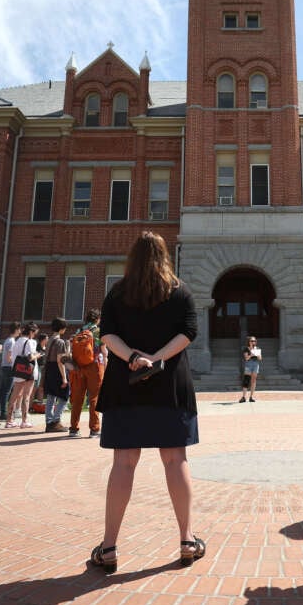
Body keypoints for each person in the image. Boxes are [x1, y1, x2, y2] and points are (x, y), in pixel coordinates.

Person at [91, 231, 203, 574]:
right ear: (164, 256)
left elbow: (106, 333)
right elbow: (188, 331)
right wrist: (156, 358)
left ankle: (108, 547)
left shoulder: (118, 292)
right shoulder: (179, 290)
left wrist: (134, 357)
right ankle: (186, 540)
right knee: (175, 460)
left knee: (123, 464)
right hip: (170, 386)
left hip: (126, 387)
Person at [68, 309, 104, 438]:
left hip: (79, 366)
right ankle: (94, 429)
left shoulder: (79, 331)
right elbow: (103, 350)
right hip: (94, 365)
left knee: (78, 397)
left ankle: (73, 429)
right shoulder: (98, 331)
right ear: (98, 319)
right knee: (94, 397)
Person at [5, 322, 41, 428]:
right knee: (26, 396)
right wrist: (38, 355)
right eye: (34, 333)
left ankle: (9, 420)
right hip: (28, 372)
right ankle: (24, 421)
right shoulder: (29, 342)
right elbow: (30, 357)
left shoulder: (17, 341)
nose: (34, 336)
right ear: (31, 332)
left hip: (18, 370)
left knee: (14, 395)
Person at [43, 317, 71, 432]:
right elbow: (61, 360)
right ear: (62, 329)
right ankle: (56, 421)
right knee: (64, 396)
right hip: (57, 370)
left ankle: (49, 422)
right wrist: (64, 378)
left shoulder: (49, 340)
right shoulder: (60, 342)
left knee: (51, 396)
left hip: (49, 368)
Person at [0, 322, 22, 421]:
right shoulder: (12, 341)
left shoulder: (7, 340)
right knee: (6, 391)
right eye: (19, 329)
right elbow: (9, 357)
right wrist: (16, 363)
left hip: (4, 367)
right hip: (9, 368)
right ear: (16, 329)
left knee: (2, 391)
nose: (20, 331)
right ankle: (3, 414)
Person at [239, 336, 262, 402]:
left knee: (253, 381)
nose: (253, 342)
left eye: (254, 341)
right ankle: (243, 397)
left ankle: (251, 397)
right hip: (249, 364)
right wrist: (251, 354)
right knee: (246, 380)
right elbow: (246, 358)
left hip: (255, 364)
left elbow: (260, 358)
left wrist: (258, 355)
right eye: (252, 341)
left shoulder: (257, 348)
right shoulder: (246, 349)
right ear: (249, 342)